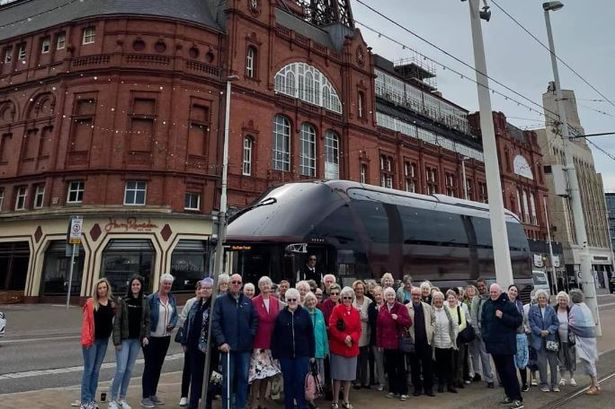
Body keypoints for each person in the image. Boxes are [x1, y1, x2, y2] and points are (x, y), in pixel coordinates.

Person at [212, 273, 259, 409]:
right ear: (229, 284)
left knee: (243, 378)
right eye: (234, 282)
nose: (236, 284)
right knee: (228, 379)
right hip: (228, 348)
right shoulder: (221, 301)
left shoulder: (248, 302)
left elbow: (254, 320)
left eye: (239, 282)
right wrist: (221, 342)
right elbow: (215, 323)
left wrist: (251, 334)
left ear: (242, 285)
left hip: (244, 348)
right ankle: (227, 406)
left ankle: (240, 405)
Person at [271, 288, 316, 409]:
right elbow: (275, 336)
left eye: (294, 299)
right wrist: (275, 355)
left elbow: (310, 335)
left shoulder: (305, 314)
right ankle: (289, 406)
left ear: (298, 300)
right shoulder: (281, 315)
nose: (292, 301)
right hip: (285, 355)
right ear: (286, 300)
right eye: (289, 299)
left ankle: (302, 405)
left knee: (301, 382)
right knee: (288, 382)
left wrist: (312, 354)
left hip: (302, 355)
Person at [109, 275, 150, 409]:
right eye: (133, 285)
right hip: (124, 340)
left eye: (138, 285)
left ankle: (122, 398)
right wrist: (117, 341)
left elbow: (147, 320)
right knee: (120, 369)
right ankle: (112, 399)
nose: (135, 287)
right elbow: (117, 323)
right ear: (130, 286)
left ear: (141, 286)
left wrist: (146, 336)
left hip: (136, 340)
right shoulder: (123, 301)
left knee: (129, 369)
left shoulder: (145, 300)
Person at [482, 284, 523, 409]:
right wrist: (486, 336)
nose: (493, 294)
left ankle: (517, 399)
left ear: (500, 292)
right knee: (501, 373)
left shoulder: (508, 305)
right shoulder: (486, 305)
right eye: (491, 292)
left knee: (510, 372)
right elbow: (483, 322)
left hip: (506, 345)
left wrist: (503, 316)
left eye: (495, 292)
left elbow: (518, 321)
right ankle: (508, 395)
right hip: (493, 345)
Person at [142, 273, 178, 408]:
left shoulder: (172, 298)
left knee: (158, 367)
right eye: (165, 283)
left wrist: (173, 324)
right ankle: (145, 396)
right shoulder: (151, 299)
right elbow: (145, 317)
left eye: (169, 284)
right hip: (151, 338)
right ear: (160, 284)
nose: (167, 286)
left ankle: (153, 393)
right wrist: (145, 335)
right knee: (149, 366)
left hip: (165, 338)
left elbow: (174, 315)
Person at [80, 278, 116, 409]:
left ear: (107, 289)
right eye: (99, 288)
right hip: (91, 340)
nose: (102, 290)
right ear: (96, 290)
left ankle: (92, 399)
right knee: (88, 370)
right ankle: (85, 401)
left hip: (104, 340)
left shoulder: (112, 304)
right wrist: (87, 339)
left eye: (104, 287)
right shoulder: (91, 302)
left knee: (96, 371)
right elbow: (86, 323)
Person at [179, 278, 215, 409]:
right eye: (202, 288)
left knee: (209, 379)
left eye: (207, 288)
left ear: (212, 290)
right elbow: (188, 323)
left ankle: (207, 404)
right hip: (194, 347)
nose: (204, 290)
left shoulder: (214, 305)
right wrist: (185, 341)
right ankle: (193, 404)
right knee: (195, 377)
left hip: (209, 349)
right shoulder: (195, 304)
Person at [249, 276, 282, 409]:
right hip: (258, 343)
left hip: (271, 343)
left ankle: (262, 400)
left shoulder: (276, 301)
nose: (265, 286)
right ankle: (254, 401)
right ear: (259, 287)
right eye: (262, 284)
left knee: (267, 374)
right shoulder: (254, 301)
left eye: (267, 284)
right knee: (257, 374)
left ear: (271, 286)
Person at [328, 286, 362, 409]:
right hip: (339, 347)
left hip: (352, 348)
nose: (347, 299)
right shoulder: (337, 309)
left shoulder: (356, 312)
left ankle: (346, 400)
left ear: (352, 298)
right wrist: (344, 338)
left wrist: (351, 338)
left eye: (349, 297)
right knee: (337, 376)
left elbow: (358, 329)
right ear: (341, 298)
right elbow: (332, 326)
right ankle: (335, 400)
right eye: (345, 297)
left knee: (348, 376)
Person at [377, 287, 412, 401]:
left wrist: (398, 318)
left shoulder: (401, 307)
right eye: (388, 295)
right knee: (390, 368)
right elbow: (379, 327)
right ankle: (393, 390)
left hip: (398, 343)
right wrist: (379, 344)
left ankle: (403, 391)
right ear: (385, 297)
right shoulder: (382, 308)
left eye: (392, 295)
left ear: (395, 296)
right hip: (387, 344)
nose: (390, 297)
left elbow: (408, 322)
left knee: (400, 368)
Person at [568, 289, 600, 395]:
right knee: (590, 359)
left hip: (583, 338)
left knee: (588, 360)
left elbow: (572, 324)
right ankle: (593, 383)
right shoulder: (585, 306)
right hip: (590, 336)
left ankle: (595, 385)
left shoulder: (575, 308)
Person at [529, 289, 560, 393]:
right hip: (539, 340)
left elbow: (556, 323)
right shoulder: (533, 310)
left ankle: (555, 384)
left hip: (550, 339)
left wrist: (548, 331)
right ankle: (544, 384)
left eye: (543, 298)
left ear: (547, 299)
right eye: (540, 298)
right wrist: (539, 331)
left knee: (553, 362)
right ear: (537, 299)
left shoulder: (551, 310)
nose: (542, 299)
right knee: (541, 363)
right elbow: (531, 323)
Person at [407, 287, 435, 397]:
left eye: (418, 294)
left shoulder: (428, 307)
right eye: (414, 294)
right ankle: (417, 388)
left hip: (426, 341)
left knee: (428, 366)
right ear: (411, 295)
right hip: (413, 342)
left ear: (421, 295)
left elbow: (434, 320)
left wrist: (431, 330)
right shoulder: (406, 307)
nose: (416, 296)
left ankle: (429, 388)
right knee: (415, 367)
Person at [178, 282, 202, 407]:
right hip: (190, 341)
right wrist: (184, 341)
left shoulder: (207, 303)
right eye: (198, 289)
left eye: (202, 289)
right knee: (187, 369)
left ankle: (197, 395)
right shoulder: (190, 302)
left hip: (201, 344)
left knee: (198, 371)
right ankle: (184, 395)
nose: (200, 291)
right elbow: (183, 320)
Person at [470, 278, 495, 388]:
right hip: (482, 331)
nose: (481, 288)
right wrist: (476, 330)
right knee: (484, 356)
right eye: (479, 286)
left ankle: (499, 378)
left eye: (482, 286)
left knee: (496, 356)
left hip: (492, 331)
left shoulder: (492, 297)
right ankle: (489, 379)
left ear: (486, 285)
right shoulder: (476, 299)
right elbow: (473, 316)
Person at [432, 291, 458, 394]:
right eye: (436, 299)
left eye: (440, 299)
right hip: (437, 344)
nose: (438, 301)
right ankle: (441, 384)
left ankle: (450, 385)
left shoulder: (448, 311)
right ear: (433, 301)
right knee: (439, 366)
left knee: (449, 365)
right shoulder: (431, 311)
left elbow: (455, 325)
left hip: (448, 343)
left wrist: (453, 337)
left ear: (443, 300)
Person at [305, 291, 329, 401]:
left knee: (319, 374)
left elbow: (323, 331)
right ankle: (308, 397)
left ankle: (315, 394)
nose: (311, 302)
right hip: (307, 350)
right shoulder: (303, 313)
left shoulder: (319, 313)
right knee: (308, 375)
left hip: (319, 349)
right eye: (308, 300)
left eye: (312, 300)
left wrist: (326, 349)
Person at [508, 285, 529, 393]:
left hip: (520, 335)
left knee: (521, 360)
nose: (513, 292)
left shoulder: (520, 304)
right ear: (508, 291)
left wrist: (525, 327)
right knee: (511, 362)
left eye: (515, 291)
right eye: (511, 290)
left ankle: (524, 383)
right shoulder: (504, 304)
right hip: (509, 335)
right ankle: (513, 383)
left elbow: (523, 319)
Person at [351, 280, 372, 389]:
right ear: (354, 290)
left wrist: (362, 317)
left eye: (361, 289)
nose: (359, 290)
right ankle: (356, 380)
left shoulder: (368, 301)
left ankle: (365, 380)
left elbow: (372, 317)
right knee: (356, 359)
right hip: (354, 334)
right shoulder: (351, 301)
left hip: (365, 333)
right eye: (357, 289)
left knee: (365, 359)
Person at [554, 291, 576, 387]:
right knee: (560, 359)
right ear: (558, 300)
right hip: (558, 339)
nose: (562, 302)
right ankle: (562, 378)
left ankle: (572, 377)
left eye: (564, 300)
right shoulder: (554, 310)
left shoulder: (570, 310)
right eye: (561, 300)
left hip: (569, 339)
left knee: (571, 359)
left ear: (567, 301)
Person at [447, 289, 467, 390]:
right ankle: (452, 380)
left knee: (460, 360)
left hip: (459, 338)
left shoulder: (460, 309)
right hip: (449, 339)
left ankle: (460, 380)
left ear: (456, 299)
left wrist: (456, 331)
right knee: (451, 361)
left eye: (453, 298)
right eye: (449, 298)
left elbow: (464, 323)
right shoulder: (445, 309)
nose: (451, 299)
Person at [367, 286, 385, 391]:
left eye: (379, 294)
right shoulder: (371, 306)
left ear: (383, 295)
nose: (378, 296)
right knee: (379, 362)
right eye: (376, 295)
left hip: (388, 338)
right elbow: (372, 322)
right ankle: (381, 382)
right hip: (376, 339)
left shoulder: (388, 305)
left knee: (388, 362)